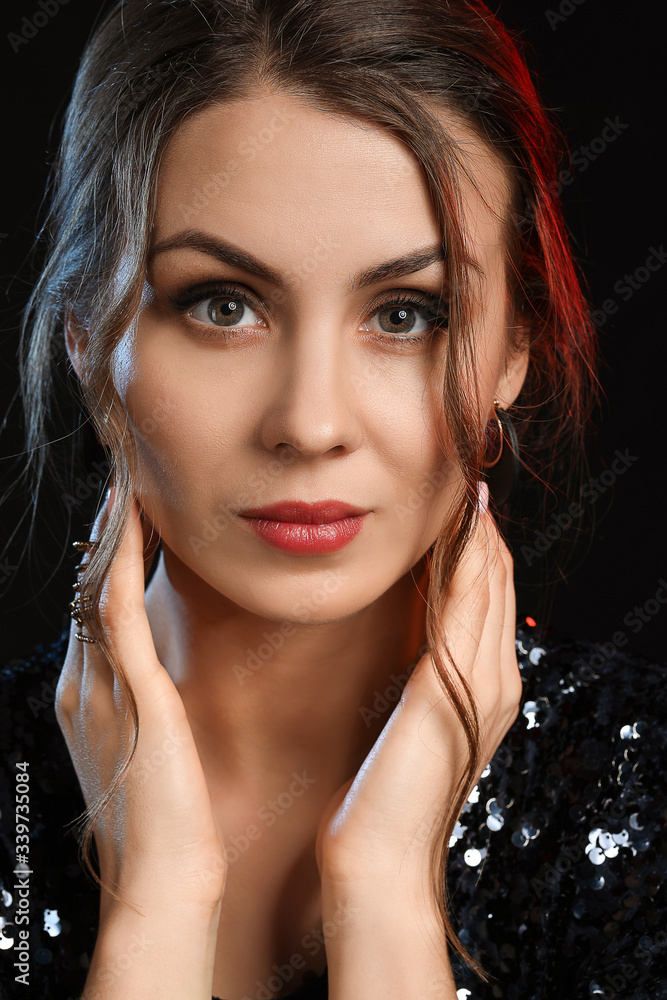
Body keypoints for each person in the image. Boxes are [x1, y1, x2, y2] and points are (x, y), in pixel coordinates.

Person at [0, 1, 665, 998]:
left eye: (405, 314)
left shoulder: (641, 792)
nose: (310, 424)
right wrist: (158, 902)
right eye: (222, 304)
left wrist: (386, 891)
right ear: (91, 348)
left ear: (514, 350)